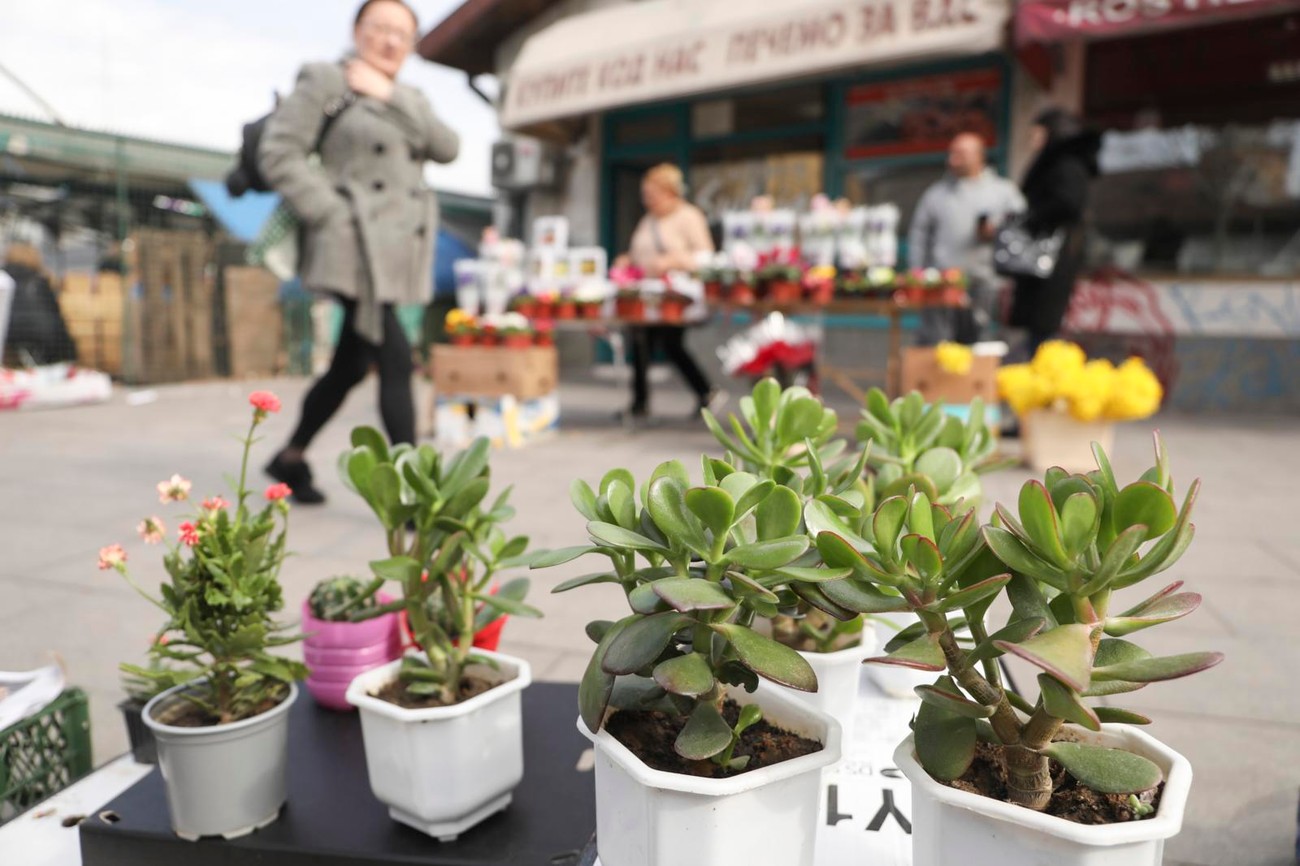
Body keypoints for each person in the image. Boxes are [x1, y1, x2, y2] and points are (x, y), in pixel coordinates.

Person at [259, 0, 459, 503]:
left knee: (349, 365)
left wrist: (388, 94)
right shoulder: (326, 78)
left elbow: (447, 146)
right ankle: (415, 497)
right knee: (395, 357)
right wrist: (331, 213)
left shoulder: (409, 95)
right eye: (380, 28)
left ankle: (290, 458)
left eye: (402, 34)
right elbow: (278, 152)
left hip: (397, 251)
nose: (390, 41)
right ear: (357, 30)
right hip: (352, 246)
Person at [620, 164, 722, 419]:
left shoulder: (689, 216)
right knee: (642, 341)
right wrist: (626, 262)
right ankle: (641, 402)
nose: (647, 201)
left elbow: (706, 256)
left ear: (670, 192)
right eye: (645, 195)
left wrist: (674, 260)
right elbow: (637, 254)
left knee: (669, 344)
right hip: (648, 293)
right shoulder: (649, 220)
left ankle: (704, 391)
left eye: (652, 195)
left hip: (675, 295)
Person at [908, 132, 1024, 345]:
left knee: (982, 346)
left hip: (988, 284)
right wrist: (918, 273)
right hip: (942, 285)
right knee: (939, 346)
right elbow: (919, 234)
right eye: (951, 153)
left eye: (960, 153)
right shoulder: (936, 194)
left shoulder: (1003, 191)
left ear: (979, 156)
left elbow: (1023, 228)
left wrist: (998, 232)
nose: (952, 159)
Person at [1008, 108, 1102, 355]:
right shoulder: (1065, 165)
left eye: (1037, 134)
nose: (1032, 140)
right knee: (1039, 329)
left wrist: (1032, 218)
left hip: (1051, 261)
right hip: (1049, 260)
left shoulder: (1064, 166)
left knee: (1043, 329)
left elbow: (1066, 204)